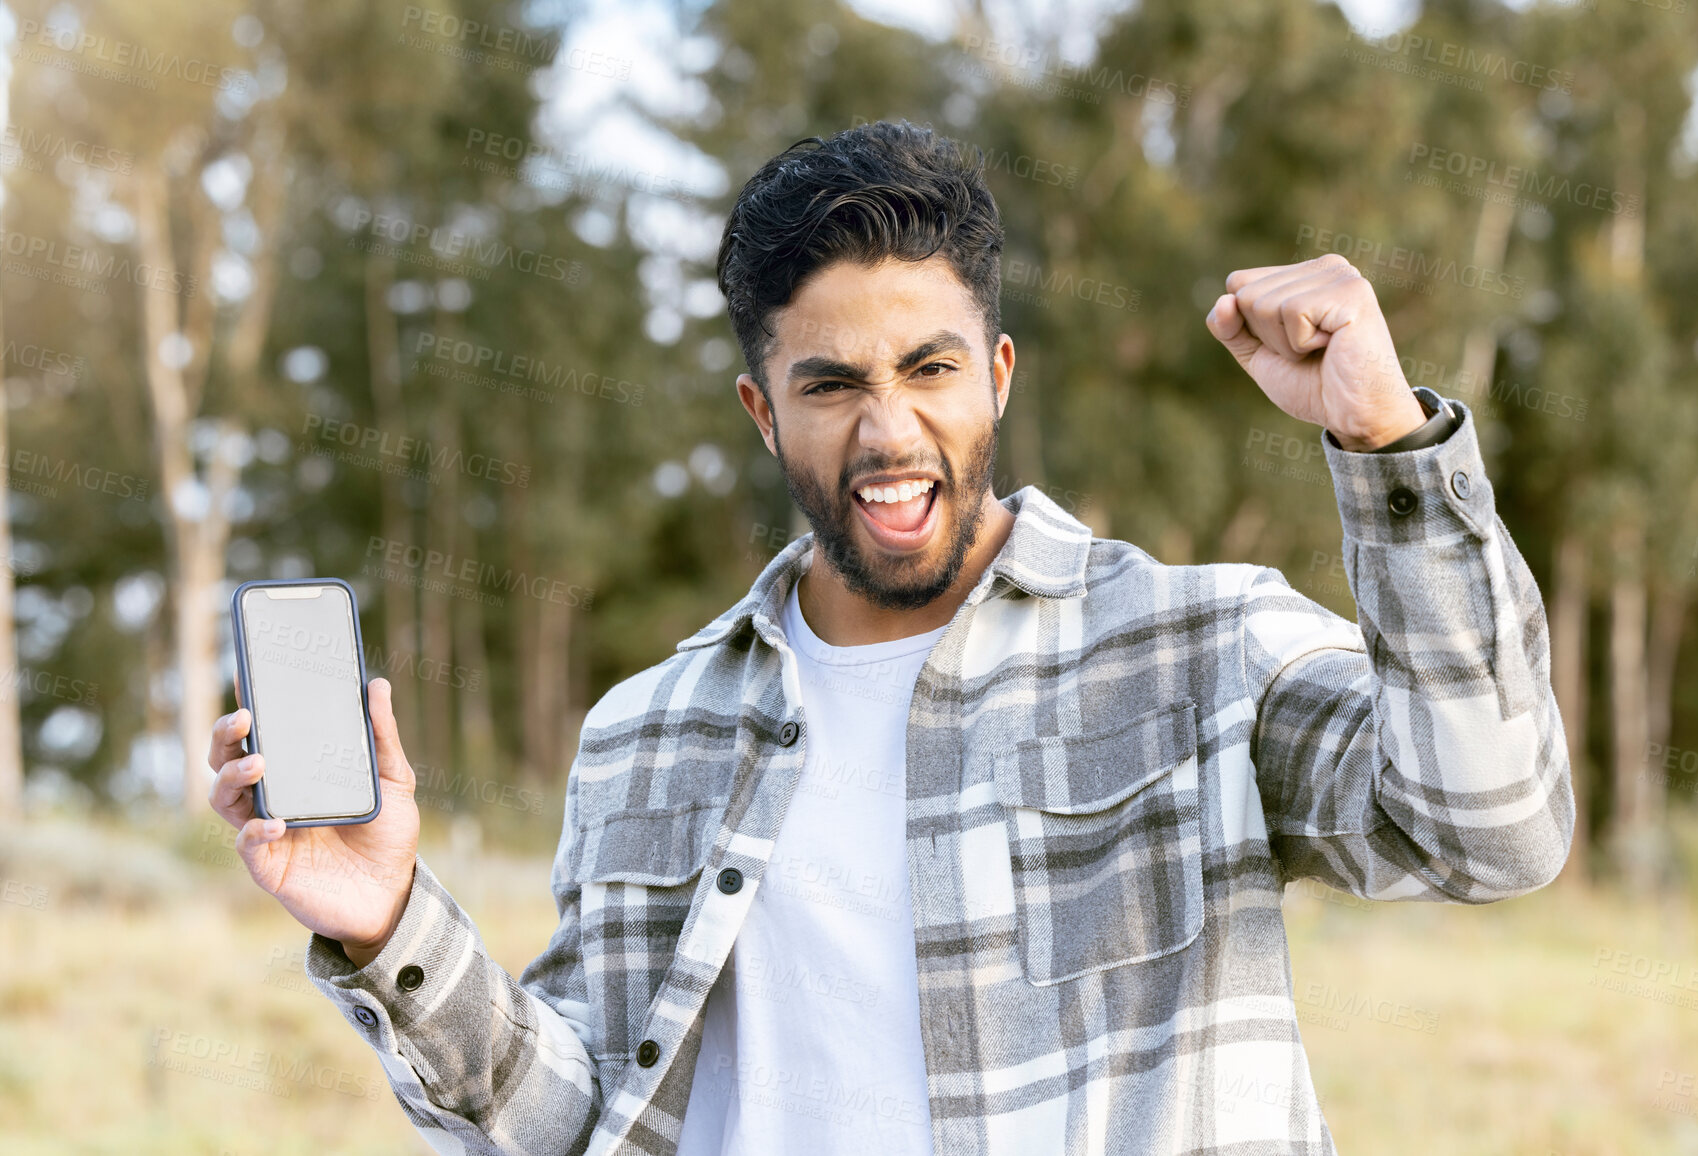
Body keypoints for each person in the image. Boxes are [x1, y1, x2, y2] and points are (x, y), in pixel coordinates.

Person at [206, 119, 1572, 1155]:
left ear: (995, 375)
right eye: (830, 384)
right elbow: (581, 1124)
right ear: (759, 410)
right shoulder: (646, 730)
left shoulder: (1195, 652)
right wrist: (384, 919)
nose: (886, 432)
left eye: (926, 369)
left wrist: (1385, 446)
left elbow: (1489, 830)